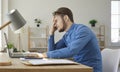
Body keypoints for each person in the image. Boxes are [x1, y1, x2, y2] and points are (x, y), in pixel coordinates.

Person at [29, 7, 102, 72]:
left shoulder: (82, 30)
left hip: (90, 69)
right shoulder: (66, 36)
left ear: (66, 18)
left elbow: (71, 51)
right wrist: (51, 34)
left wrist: (43, 55)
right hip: (79, 67)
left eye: (56, 20)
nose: (54, 24)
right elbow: (52, 51)